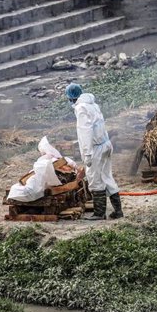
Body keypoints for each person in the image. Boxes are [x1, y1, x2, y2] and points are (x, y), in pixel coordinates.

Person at [66, 83, 123, 220]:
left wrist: (87, 154)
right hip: (106, 144)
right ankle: (118, 211)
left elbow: (85, 132)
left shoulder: (81, 108)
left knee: (95, 180)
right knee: (107, 177)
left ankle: (99, 213)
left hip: (95, 148)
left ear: (71, 98)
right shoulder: (93, 105)